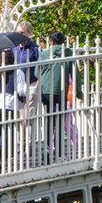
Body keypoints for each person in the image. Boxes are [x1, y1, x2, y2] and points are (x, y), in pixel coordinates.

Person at [36, 31, 71, 161]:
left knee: (49, 118)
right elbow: (74, 73)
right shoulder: (67, 52)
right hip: (61, 90)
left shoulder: (44, 54)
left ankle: (47, 148)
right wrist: (78, 92)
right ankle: (60, 151)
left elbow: (36, 72)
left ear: (51, 41)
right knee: (60, 120)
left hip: (46, 91)